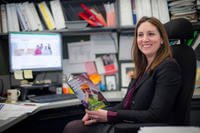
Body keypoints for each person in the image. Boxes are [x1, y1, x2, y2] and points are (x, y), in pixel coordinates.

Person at [63, 16, 182, 133]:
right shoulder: (143, 68)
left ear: (162, 39)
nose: (145, 39)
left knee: (73, 128)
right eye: (140, 35)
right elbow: (125, 105)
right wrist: (99, 114)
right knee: (75, 126)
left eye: (151, 34)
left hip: (141, 128)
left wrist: (110, 115)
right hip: (129, 123)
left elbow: (156, 115)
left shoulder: (168, 66)